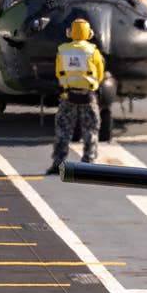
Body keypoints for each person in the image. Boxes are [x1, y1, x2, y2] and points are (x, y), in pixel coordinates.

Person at [47, 18, 105, 176]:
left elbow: (58, 71)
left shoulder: (62, 49)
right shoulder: (93, 51)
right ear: (89, 33)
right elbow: (100, 73)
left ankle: (58, 163)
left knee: (63, 129)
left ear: (70, 32)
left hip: (68, 95)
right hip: (87, 96)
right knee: (91, 130)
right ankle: (89, 164)